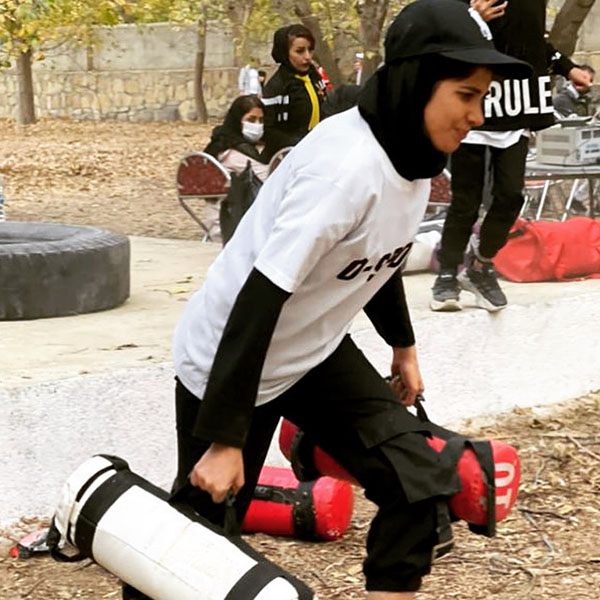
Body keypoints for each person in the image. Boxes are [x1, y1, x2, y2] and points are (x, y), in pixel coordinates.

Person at [167, 1, 529, 599]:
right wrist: (226, 440)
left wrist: (403, 348)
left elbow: (377, 258)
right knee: (198, 547)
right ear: (416, 82)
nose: (477, 115)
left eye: (483, 97)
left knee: (420, 483)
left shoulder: (413, 153)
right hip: (232, 358)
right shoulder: (343, 169)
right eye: (466, 95)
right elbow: (258, 299)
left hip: (310, 351)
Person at [430, 0, 593, 312]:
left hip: (518, 101)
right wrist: (472, 19)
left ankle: (481, 265)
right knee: (466, 200)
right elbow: (438, 35)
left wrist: (567, 67)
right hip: (475, 98)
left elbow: (532, 41)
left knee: (510, 195)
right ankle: (447, 273)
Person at [261, 24, 327, 155]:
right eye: (300, 51)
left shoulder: (314, 77)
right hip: (286, 155)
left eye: (310, 50)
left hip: (317, 150)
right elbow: (268, 130)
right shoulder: (277, 87)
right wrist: (297, 144)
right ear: (285, 53)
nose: (307, 56)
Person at [204, 94, 270, 182]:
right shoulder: (230, 151)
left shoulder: (226, 140)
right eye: (251, 119)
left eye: (261, 120)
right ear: (237, 120)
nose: (257, 124)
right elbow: (266, 177)